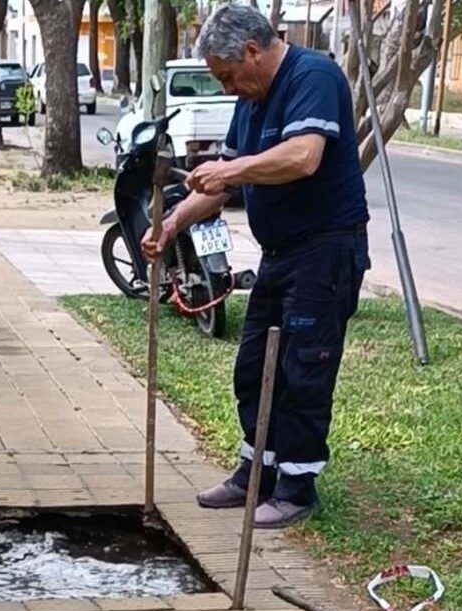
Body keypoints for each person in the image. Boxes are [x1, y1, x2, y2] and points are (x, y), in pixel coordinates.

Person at [142, 4, 370, 529]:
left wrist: (231, 167)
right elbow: (219, 187)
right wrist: (172, 223)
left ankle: (297, 486)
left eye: (227, 76)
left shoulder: (313, 76)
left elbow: (303, 157)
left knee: (302, 369)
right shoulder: (250, 101)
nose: (227, 89)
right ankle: (257, 471)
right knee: (254, 367)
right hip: (281, 254)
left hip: (326, 251)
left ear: (250, 51)